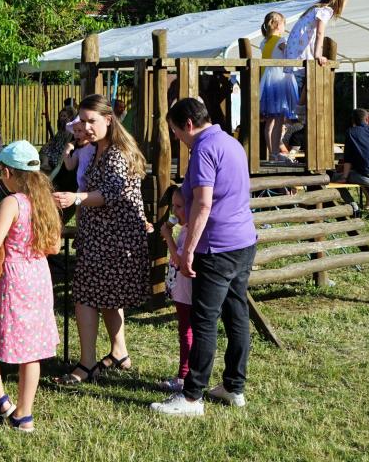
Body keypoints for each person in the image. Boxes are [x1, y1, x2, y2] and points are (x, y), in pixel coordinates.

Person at [151, 97, 256, 417]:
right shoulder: (231, 143)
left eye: (175, 132)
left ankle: (191, 397)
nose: (177, 138)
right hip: (243, 242)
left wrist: (188, 250)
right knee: (237, 315)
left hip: (216, 247)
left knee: (204, 321)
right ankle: (233, 387)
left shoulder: (203, 150)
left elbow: (203, 204)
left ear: (188, 124)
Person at [52, 94, 149, 385]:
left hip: (114, 239)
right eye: (82, 121)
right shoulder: (96, 149)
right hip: (102, 236)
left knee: (85, 296)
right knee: (106, 296)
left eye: (91, 121)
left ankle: (86, 365)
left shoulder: (116, 153)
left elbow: (110, 192)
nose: (85, 127)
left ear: (108, 119)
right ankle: (119, 353)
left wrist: (76, 198)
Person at [0, 141, 61, 432]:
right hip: (39, 276)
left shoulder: (12, 203)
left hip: (13, 278)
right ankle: (24, 414)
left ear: (8, 172)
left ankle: (1, 399)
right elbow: (55, 247)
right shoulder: (45, 201)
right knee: (31, 351)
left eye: (0, 171)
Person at [157, 191, 194, 394]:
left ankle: (184, 376)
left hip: (186, 289)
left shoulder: (190, 232)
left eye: (179, 207)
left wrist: (168, 237)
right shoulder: (187, 228)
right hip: (181, 287)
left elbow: (179, 261)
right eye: (173, 206)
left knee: (186, 330)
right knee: (186, 329)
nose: (174, 211)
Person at [258, 11, 299, 162]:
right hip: (279, 80)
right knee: (279, 118)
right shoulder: (281, 40)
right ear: (277, 25)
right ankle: (275, 152)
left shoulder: (264, 42)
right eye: (283, 24)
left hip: (266, 81)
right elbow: (290, 53)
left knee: (270, 120)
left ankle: (272, 152)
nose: (284, 27)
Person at [283, 0, 347, 81]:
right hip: (300, 51)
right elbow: (319, 33)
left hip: (294, 48)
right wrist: (318, 55)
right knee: (303, 79)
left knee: (296, 80)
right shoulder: (325, 11)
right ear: (339, 2)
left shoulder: (315, 9)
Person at [336, 109, 369, 220]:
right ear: (366, 119)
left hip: (364, 177)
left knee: (334, 179)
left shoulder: (351, 132)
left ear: (353, 121)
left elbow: (348, 157)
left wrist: (344, 177)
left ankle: (354, 207)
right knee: (368, 179)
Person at [60, 117, 95, 193]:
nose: (76, 134)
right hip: (81, 188)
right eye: (75, 131)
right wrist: (66, 151)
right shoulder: (78, 151)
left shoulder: (93, 147)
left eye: (79, 131)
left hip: (92, 187)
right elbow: (70, 166)